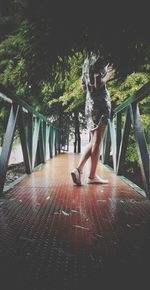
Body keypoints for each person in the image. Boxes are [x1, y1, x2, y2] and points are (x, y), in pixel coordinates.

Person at [71, 53, 114, 185]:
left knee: (93, 141)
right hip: (100, 105)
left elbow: (84, 87)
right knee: (97, 142)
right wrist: (108, 75)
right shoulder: (99, 59)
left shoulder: (86, 61)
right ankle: (91, 176)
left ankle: (78, 170)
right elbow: (97, 84)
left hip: (90, 105)